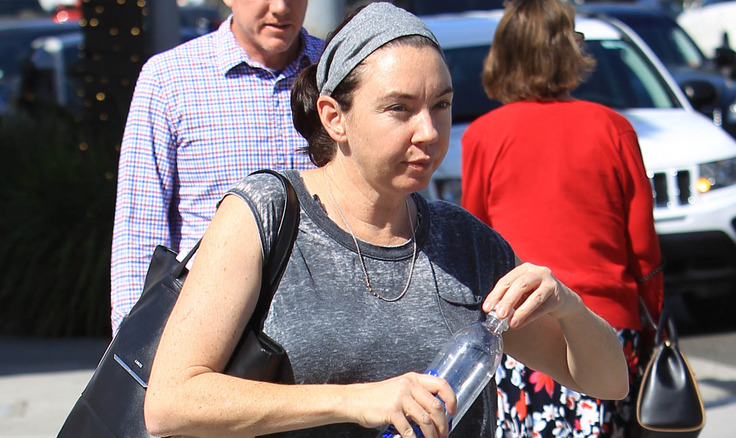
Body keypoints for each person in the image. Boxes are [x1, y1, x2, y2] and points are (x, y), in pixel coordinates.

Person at [143, 3, 629, 438]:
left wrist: (567, 305)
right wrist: (356, 399)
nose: (430, 131)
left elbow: (608, 381)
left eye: (441, 105)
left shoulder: (466, 244)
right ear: (335, 117)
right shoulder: (265, 214)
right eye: (399, 108)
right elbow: (171, 402)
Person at [459, 0, 664, 436]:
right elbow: (644, 249)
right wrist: (654, 323)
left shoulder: (483, 135)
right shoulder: (614, 128)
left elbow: (473, 240)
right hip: (607, 332)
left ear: (505, 53)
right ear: (569, 52)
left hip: (524, 335)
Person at [110, 0, 325, 335]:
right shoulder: (170, 79)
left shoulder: (340, 74)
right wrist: (136, 351)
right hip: (210, 332)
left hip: (328, 321)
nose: (281, 7)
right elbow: (140, 234)